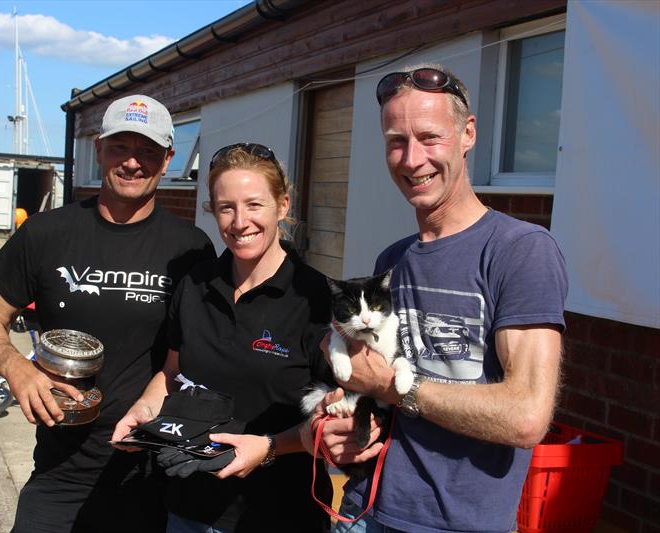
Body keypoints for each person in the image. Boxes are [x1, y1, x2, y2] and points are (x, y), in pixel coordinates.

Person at [308, 64, 568, 533]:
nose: (412, 159)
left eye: (430, 137)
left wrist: (394, 387)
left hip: (457, 524)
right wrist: (344, 426)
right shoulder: (393, 260)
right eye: (395, 141)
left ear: (468, 134)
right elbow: (367, 388)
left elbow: (527, 416)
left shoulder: (520, 251)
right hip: (362, 510)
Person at [0, 94, 215, 533]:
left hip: (149, 471)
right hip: (59, 471)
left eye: (148, 151)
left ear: (168, 160)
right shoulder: (47, 233)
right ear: (99, 149)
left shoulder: (191, 248)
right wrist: (17, 370)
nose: (133, 163)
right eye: (121, 147)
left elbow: (193, 355)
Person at [112, 142, 347, 533]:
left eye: (254, 205)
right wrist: (144, 411)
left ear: (283, 205)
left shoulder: (317, 300)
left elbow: (334, 420)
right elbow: (171, 373)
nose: (240, 222)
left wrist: (269, 447)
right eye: (226, 207)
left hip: (280, 514)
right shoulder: (195, 284)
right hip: (190, 510)